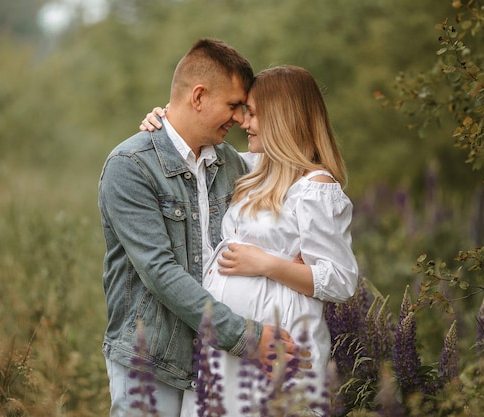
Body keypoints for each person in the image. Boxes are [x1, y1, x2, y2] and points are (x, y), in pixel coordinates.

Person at [141, 65, 359, 416]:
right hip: (227, 348)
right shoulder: (252, 168)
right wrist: (166, 123)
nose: (244, 122)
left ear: (282, 119)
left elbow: (341, 281)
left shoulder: (315, 188)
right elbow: (193, 154)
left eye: (254, 113)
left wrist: (267, 265)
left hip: (281, 345)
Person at [98, 38, 297, 417]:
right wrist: (246, 337)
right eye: (234, 105)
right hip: (151, 363)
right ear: (199, 96)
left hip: (215, 363)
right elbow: (160, 272)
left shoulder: (231, 164)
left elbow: (301, 176)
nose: (240, 119)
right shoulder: (131, 166)